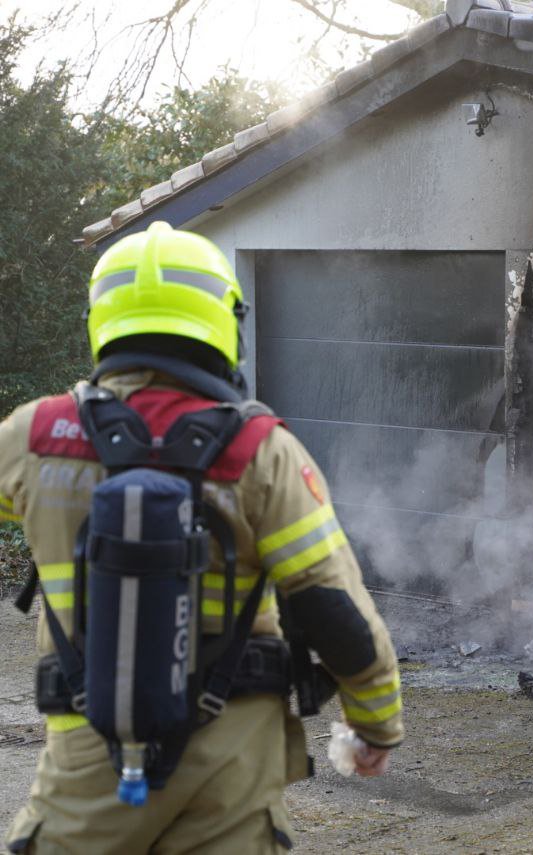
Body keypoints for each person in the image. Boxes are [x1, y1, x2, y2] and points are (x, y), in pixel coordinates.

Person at [0, 221, 403, 853]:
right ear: (225, 320)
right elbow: (333, 608)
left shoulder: (35, 436)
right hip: (230, 771)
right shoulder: (262, 451)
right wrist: (375, 725)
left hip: (87, 760)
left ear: (101, 319)